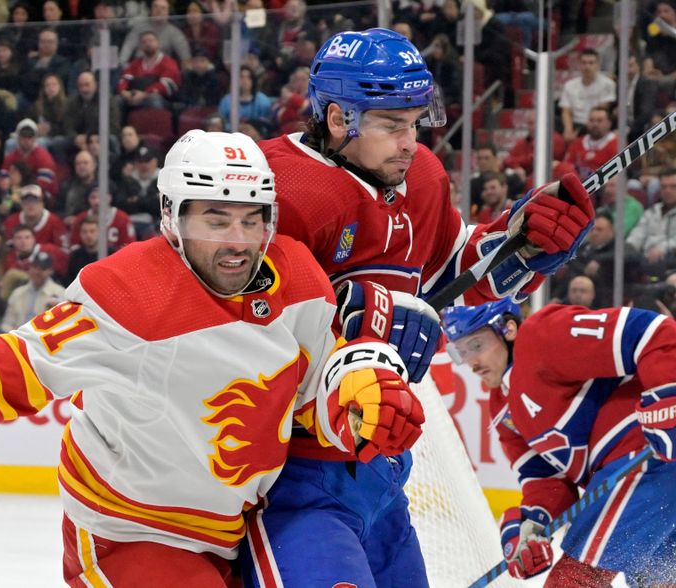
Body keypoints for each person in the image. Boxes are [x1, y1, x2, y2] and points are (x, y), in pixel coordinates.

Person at [0, 130, 425, 586]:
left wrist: (355, 385)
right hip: (131, 536)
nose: (239, 240)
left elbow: (309, 396)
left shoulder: (300, 276)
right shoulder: (127, 294)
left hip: (235, 528)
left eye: (252, 219)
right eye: (215, 219)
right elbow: (4, 366)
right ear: (172, 216)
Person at [247, 28, 595, 587]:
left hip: (383, 471)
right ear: (339, 120)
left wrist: (517, 247)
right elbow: (237, 327)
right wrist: (350, 320)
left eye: (414, 122)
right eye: (392, 125)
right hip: (292, 477)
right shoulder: (276, 188)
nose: (411, 141)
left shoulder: (423, 178)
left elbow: (451, 269)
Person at [442, 300, 676, 586]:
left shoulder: (543, 336)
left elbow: (652, 332)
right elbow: (544, 478)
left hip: (647, 453)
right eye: (460, 351)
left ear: (509, 329)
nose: (471, 362)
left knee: (576, 579)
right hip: (648, 475)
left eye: (476, 345)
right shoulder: (502, 408)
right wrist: (533, 522)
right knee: (660, 579)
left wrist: (669, 396)